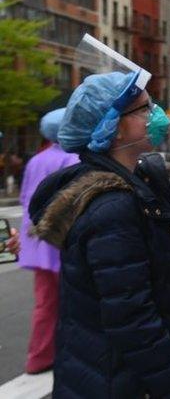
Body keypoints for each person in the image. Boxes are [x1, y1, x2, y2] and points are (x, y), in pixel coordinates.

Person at [27, 35, 170, 398]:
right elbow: (133, 321)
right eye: (143, 110)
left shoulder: (133, 183)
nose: (156, 116)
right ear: (112, 126)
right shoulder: (112, 207)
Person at [17, 108, 79, 374]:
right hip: (61, 240)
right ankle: (70, 354)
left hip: (36, 239)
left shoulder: (36, 160)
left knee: (45, 303)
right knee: (75, 303)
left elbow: (23, 198)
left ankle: (38, 357)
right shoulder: (73, 159)